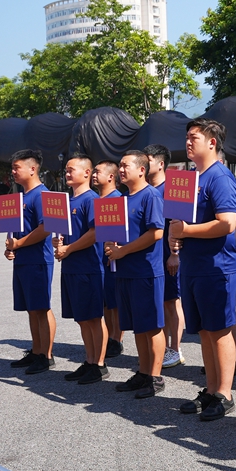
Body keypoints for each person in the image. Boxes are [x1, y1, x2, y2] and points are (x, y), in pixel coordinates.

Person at [171, 119, 236, 421]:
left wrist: (186, 230)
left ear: (212, 142)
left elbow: (227, 222)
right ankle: (211, 389)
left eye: (194, 137)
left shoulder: (219, 177)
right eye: (187, 137)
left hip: (215, 267)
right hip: (193, 267)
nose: (188, 142)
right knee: (203, 332)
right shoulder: (191, 177)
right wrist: (177, 237)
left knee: (219, 330)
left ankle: (225, 394)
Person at [109, 151, 167, 399]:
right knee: (138, 328)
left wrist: (123, 251)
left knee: (152, 326)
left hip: (146, 272)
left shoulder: (150, 196)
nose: (121, 170)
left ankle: (155, 377)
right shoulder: (122, 199)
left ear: (142, 170)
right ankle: (143, 372)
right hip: (126, 273)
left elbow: (156, 233)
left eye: (125, 166)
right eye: (120, 166)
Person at [54, 155, 108, 384]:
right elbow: (62, 233)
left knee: (94, 318)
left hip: (88, 267)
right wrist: (58, 245)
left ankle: (100, 364)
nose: (67, 173)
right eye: (66, 170)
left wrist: (69, 249)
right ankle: (89, 360)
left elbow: (95, 233)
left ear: (87, 173)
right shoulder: (66, 201)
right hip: (71, 268)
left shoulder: (92, 200)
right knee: (82, 319)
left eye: (72, 169)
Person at [5, 150, 57, 375]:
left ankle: (46, 355)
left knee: (41, 308)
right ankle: (36, 351)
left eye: (17, 167)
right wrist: (10, 248)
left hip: (38, 261)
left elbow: (46, 228)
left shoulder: (42, 195)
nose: (13, 172)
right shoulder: (21, 197)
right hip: (24, 260)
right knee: (31, 309)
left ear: (32, 169)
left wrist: (19, 244)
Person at [142, 144, 185, 369]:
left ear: (160, 164)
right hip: (152, 258)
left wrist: (175, 254)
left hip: (169, 256)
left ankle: (176, 349)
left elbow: (177, 224)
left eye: (147, 159)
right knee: (161, 303)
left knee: (171, 302)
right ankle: (166, 347)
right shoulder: (147, 190)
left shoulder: (172, 188)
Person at [93, 161, 124, 359]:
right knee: (105, 302)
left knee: (114, 303)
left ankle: (116, 339)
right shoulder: (96, 199)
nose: (94, 175)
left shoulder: (118, 199)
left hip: (113, 260)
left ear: (111, 177)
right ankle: (109, 336)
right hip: (97, 260)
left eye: (98, 172)